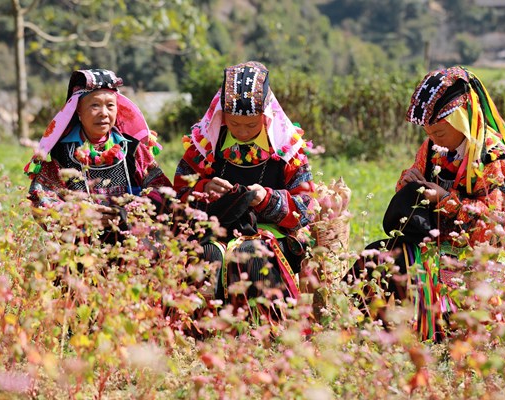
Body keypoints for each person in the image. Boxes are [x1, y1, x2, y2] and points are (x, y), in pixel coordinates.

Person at [345, 66, 505, 341]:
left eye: (439, 132)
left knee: (406, 263)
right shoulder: (432, 148)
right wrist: (409, 182)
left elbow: (494, 229)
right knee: (377, 257)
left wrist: (444, 199)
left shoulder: (494, 159)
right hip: (431, 242)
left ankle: (428, 334)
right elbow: (411, 188)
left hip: (474, 257)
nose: (432, 139)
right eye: (428, 132)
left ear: (462, 119)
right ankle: (371, 334)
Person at [173, 61, 316, 322]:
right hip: (215, 230)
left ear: (267, 116)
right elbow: (179, 191)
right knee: (209, 254)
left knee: (250, 254)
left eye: (251, 126)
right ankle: (204, 330)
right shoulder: (205, 144)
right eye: (234, 124)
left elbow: (305, 207)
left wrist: (267, 199)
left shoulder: (288, 149)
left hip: (271, 233)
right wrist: (204, 188)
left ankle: (265, 329)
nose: (241, 132)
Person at [25, 68, 173, 246]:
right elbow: (42, 199)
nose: (104, 113)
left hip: (131, 244)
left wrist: (127, 212)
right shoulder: (61, 154)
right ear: (78, 110)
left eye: (110, 105)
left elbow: (163, 192)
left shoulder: (133, 149)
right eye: (95, 105)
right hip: (80, 249)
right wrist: (81, 214)